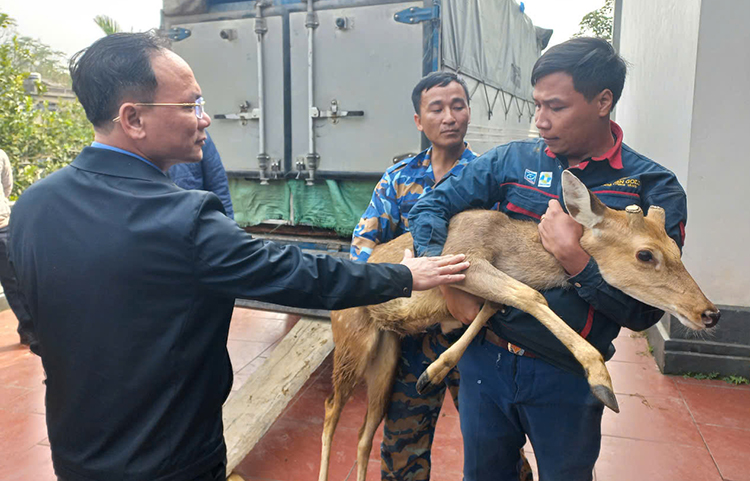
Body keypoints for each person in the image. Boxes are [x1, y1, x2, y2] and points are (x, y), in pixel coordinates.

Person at [8, 32, 469, 481]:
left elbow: (37, 331)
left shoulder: (32, 207)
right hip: (172, 458)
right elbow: (299, 275)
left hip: (76, 454)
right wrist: (402, 276)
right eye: (191, 105)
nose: (204, 118)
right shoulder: (184, 219)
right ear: (133, 119)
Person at [408, 37, 688, 481]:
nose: (540, 121)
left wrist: (575, 260)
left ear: (603, 101)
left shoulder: (653, 188)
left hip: (570, 373)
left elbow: (643, 311)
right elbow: (430, 208)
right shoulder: (510, 161)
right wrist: (444, 278)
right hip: (486, 362)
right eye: (536, 105)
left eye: (555, 107)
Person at [351, 71, 531, 481]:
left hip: (475, 339)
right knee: (402, 450)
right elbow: (364, 243)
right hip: (411, 340)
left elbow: (512, 252)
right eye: (437, 108)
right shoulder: (398, 178)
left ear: (469, 112)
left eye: (458, 105)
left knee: (498, 448)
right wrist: (390, 286)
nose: (449, 116)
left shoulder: (490, 177)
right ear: (419, 121)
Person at [0, 148, 35, 349]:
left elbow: (6, 187)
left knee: (14, 281)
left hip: (2, 227)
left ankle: (29, 329)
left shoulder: (0, 155)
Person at [168, 132, 234, 219]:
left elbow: (218, 187)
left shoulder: (200, 136)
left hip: (195, 223)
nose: (205, 121)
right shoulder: (147, 141)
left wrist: (227, 225)